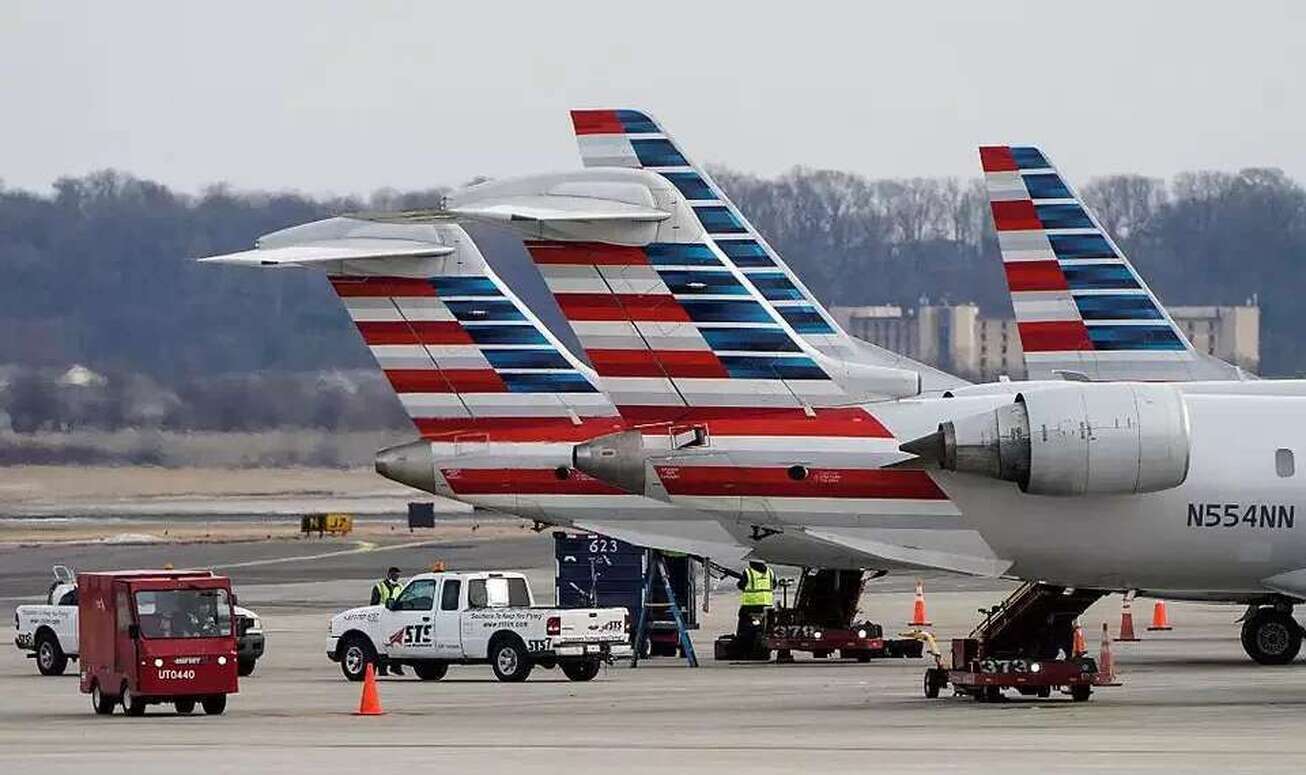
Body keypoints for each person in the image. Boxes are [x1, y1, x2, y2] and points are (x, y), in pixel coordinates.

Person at [734, 560, 776, 654]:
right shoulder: (770, 572)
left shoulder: (748, 572)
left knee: (744, 627)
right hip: (767, 605)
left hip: (751, 605)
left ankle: (744, 649)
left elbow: (741, 585)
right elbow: (774, 585)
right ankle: (763, 650)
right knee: (765, 628)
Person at [371, 567, 404, 675]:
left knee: (396, 642)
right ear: (389, 574)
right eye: (395, 575)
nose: (397, 577)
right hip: (382, 618)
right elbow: (373, 604)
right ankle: (382, 669)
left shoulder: (400, 587)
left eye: (398, 575)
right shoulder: (379, 587)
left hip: (396, 619)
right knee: (383, 644)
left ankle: (396, 667)